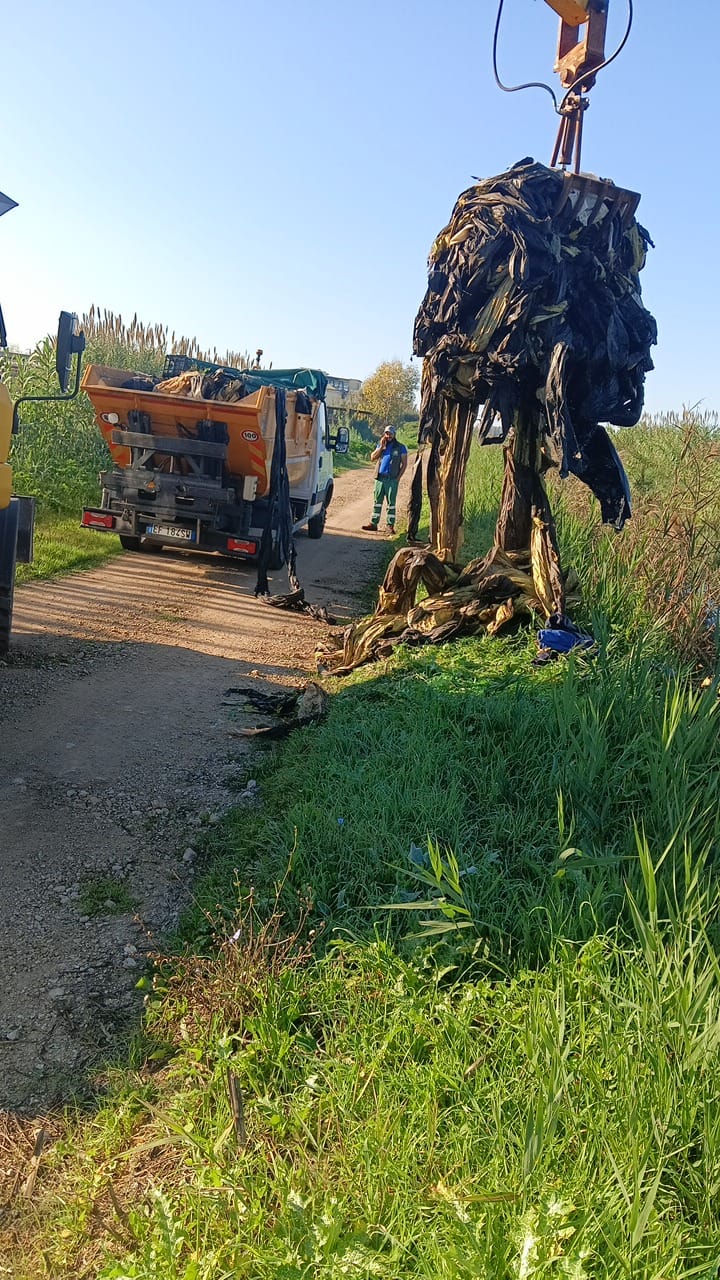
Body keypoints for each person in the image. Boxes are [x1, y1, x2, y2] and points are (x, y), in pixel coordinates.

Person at [362, 425, 408, 533]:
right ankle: (373, 523)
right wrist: (381, 448)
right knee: (377, 502)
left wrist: (398, 478)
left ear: (394, 434)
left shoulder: (401, 447)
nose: (388, 436)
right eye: (387, 433)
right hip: (380, 478)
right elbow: (372, 457)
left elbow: (404, 464)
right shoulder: (382, 445)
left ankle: (390, 525)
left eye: (390, 434)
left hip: (392, 479)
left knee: (391, 504)